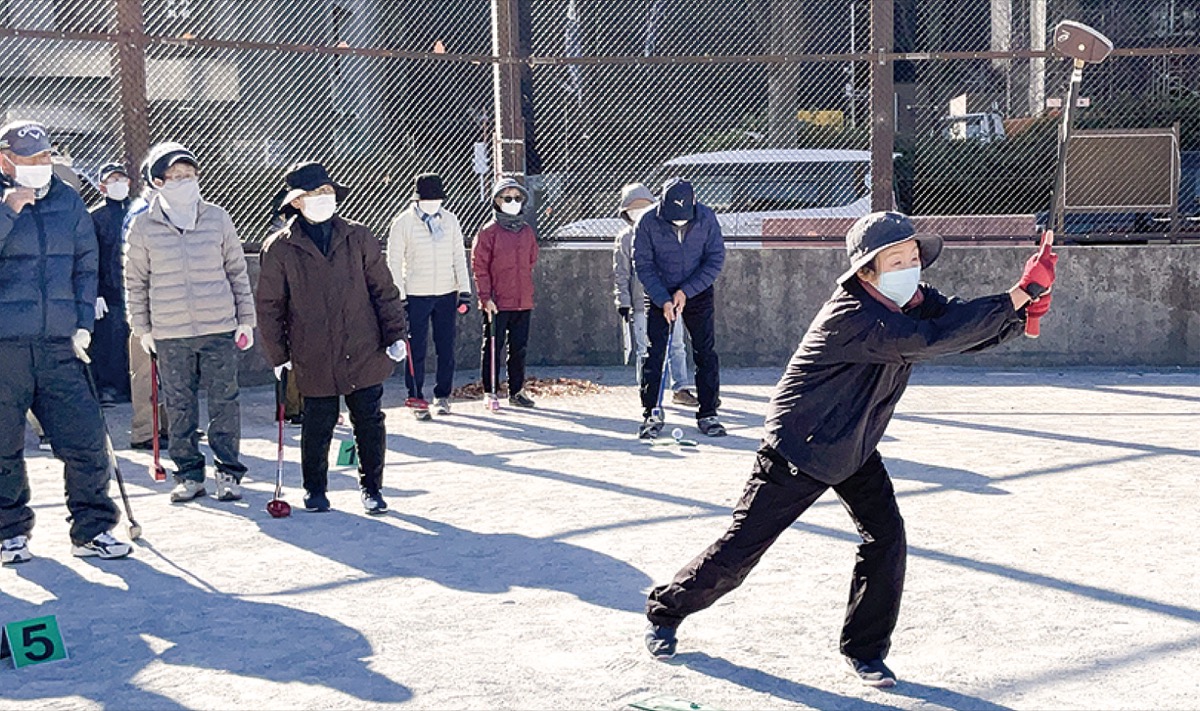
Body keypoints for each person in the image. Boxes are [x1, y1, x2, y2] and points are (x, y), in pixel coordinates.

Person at [643, 211, 1057, 688]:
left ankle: (865, 652)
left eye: (914, 256)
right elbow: (931, 339)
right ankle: (665, 611)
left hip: (856, 443)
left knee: (886, 539)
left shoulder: (913, 301)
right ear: (866, 272)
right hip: (801, 447)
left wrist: (1018, 313)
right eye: (896, 259)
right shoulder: (856, 317)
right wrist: (1015, 297)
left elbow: (955, 324)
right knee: (739, 554)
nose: (911, 266)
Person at [0, 120, 132, 563]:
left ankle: (92, 528)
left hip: (59, 343)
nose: (41, 166)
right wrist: (8, 210)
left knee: (86, 438)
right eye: (30, 158)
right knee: (3, 445)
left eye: (45, 158)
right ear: (5, 160)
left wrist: (81, 323)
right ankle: (9, 532)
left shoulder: (67, 200)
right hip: (5, 347)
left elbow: (83, 263)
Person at [256, 161, 409, 514]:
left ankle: (372, 488)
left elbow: (383, 289)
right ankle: (315, 489)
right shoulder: (279, 247)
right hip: (313, 350)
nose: (323, 198)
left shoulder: (359, 236)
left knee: (369, 420)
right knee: (317, 421)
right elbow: (269, 306)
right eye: (313, 194)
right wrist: (279, 355)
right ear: (296, 202)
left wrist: (395, 334)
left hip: (363, 344)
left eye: (327, 191)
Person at [124, 141, 255, 504]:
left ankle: (228, 472)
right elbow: (135, 280)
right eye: (175, 176)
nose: (185, 181)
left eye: (190, 175)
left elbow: (237, 271)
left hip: (218, 327)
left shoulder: (218, 217)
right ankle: (188, 473)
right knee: (179, 404)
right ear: (157, 181)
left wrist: (246, 319)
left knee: (224, 401)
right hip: (170, 331)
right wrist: (142, 328)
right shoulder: (142, 226)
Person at [633, 177, 725, 439]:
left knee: (705, 351)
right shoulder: (647, 222)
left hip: (697, 291)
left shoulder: (707, 218)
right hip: (660, 290)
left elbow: (715, 259)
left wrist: (687, 291)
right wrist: (663, 299)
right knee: (655, 352)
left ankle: (708, 412)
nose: (679, 222)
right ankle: (651, 411)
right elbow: (643, 264)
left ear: (695, 203)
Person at [387, 173, 472, 420]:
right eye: (428, 199)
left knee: (446, 347)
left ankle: (443, 395)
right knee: (417, 348)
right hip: (416, 294)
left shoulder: (451, 220)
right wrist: (399, 295)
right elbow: (393, 262)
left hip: (446, 292)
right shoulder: (402, 223)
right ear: (417, 199)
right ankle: (416, 397)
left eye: (437, 198)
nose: (434, 203)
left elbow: (458, 255)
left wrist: (464, 290)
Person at [613, 183, 698, 407]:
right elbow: (621, 273)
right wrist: (623, 301)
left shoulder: (665, 233)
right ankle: (647, 389)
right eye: (633, 208)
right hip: (641, 304)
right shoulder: (624, 239)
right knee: (645, 349)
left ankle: (680, 387)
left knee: (677, 344)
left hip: (669, 301)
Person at [472, 178, 539, 408]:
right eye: (507, 198)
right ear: (496, 201)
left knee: (519, 347)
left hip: (523, 300)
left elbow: (532, 259)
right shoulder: (488, 232)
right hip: (497, 301)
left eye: (517, 198)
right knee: (493, 346)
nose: (512, 202)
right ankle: (490, 391)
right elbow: (479, 267)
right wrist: (485, 297)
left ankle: (517, 390)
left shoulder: (527, 231)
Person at [88, 161, 133, 405]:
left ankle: (132, 388)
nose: (118, 184)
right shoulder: (95, 217)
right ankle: (109, 388)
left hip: (135, 290)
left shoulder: (139, 211)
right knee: (110, 344)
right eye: (112, 180)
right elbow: (90, 256)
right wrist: (95, 292)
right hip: (109, 293)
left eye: (121, 179)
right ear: (102, 186)